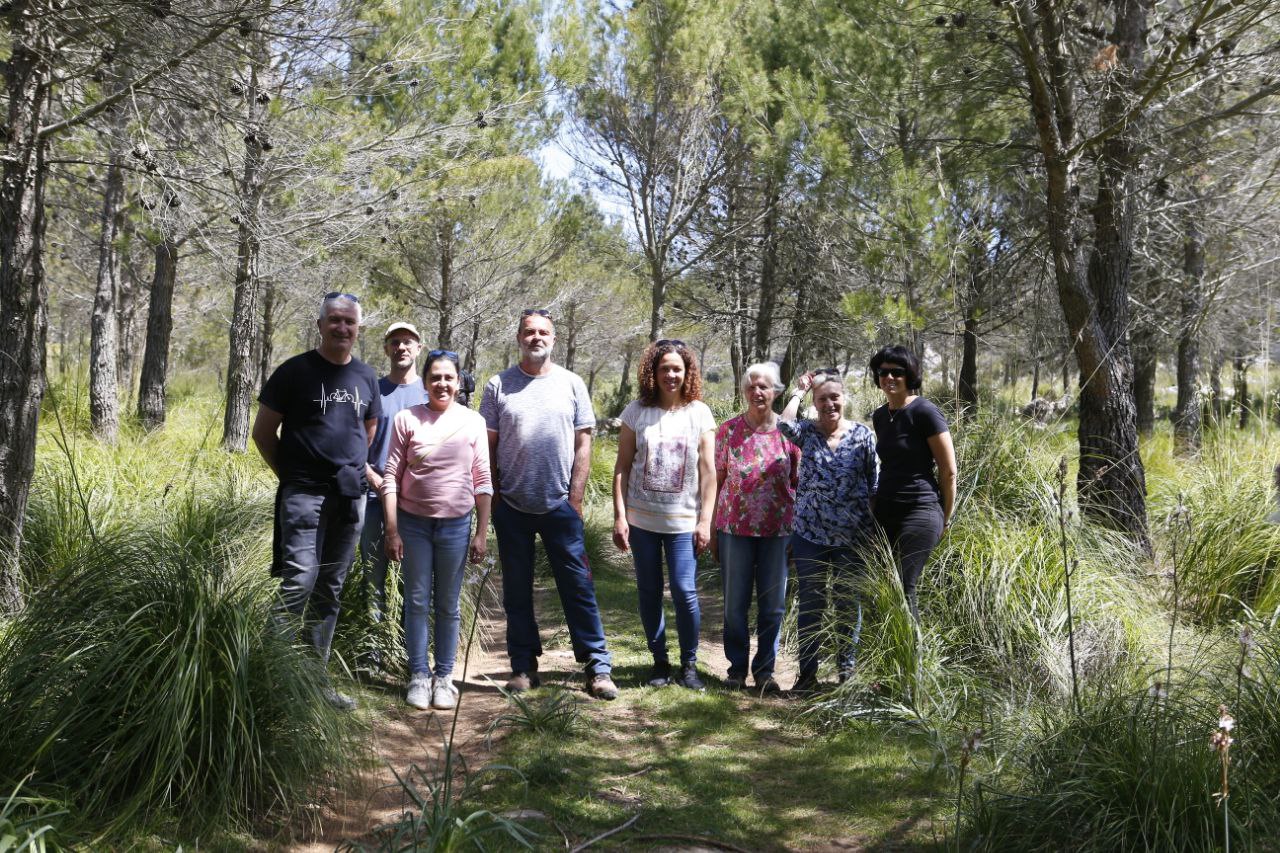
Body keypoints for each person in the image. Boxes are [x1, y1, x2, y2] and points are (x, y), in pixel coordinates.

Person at [479, 309, 619, 700]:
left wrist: (575, 498)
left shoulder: (572, 384)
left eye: (543, 332)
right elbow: (486, 446)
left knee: (577, 586)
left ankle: (597, 667)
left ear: (553, 339)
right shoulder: (497, 386)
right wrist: (496, 494)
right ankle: (523, 666)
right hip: (513, 506)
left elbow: (584, 443)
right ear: (518, 337)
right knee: (517, 591)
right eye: (528, 331)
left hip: (560, 506)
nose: (535, 337)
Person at [253, 292, 382, 710]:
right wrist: (292, 478)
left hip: (349, 498)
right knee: (299, 582)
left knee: (330, 588)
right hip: (304, 496)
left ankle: (312, 683)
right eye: (335, 320)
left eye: (350, 322)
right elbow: (262, 433)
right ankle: (269, 678)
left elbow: (368, 431)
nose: (342, 328)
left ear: (358, 328)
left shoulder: (366, 376)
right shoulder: (295, 372)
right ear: (321, 324)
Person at [381, 349, 492, 711]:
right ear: (425, 382)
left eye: (449, 377)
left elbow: (483, 480)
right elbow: (391, 476)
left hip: (456, 526)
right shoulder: (406, 419)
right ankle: (418, 676)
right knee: (416, 601)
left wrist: (481, 532)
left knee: (447, 604)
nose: (442, 384)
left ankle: (444, 677)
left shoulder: (472, 422)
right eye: (435, 377)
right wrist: (392, 529)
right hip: (412, 525)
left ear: (458, 382)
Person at [612, 340, 717, 690]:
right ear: (652, 374)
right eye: (664, 369)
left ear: (687, 373)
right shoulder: (636, 412)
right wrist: (620, 516)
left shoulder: (699, 413)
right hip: (642, 522)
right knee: (649, 592)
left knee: (685, 592)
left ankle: (689, 665)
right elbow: (622, 468)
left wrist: (705, 521)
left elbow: (709, 473)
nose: (671, 374)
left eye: (677, 368)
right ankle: (659, 662)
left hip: (684, 523)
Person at [780, 369, 879, 692]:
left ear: (844, 398)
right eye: (822, 399)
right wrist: (799, 391)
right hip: (810, 536)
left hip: (853, 537)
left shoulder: (863, 435)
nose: (829, 404)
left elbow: (874, 483)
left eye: (834, 397)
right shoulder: (807, 432)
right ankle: (807, 674)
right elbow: (782, 424)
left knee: (848, 605)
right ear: (815, 404)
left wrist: (874, 535)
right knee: (811, 603)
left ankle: (845, 674)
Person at [712, 362, 800, 694]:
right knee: (735, 603)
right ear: (744, 391)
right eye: (751, 386)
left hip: (778, 532)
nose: (757, 392)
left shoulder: (790, 434)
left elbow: (798, 484)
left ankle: (765, 671)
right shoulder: (728, 431)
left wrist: (797, 533)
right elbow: (717, 482)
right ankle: (736, 669)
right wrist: (710, 529)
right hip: (734, 530)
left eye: (764, 386)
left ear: (776, 391)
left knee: (773, 604)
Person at [868, 345, 958, 622]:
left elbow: (948, 471)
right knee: (878, 583)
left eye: (897, 372)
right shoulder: (880, 416)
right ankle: (881, 653)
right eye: (883, 372)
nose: (890, 377)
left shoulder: (925, 412)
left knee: (906, 587)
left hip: (920, 509)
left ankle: (913, 660)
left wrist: (945, 517)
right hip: (885, 510)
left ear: (910, 375)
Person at [359, 322, 430, 649]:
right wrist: (369, 474)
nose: (402, 348)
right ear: (386, 348)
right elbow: (353, 441)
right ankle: (375, 649)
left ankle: (408, 649)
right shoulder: (371, 390)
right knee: (373, 577)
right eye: (395, 342)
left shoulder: (430, 393)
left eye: (408, 343)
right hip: (373, 499)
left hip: (416, 503)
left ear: (419, 349)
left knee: (413, 581)